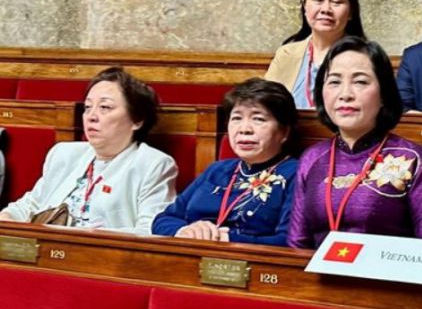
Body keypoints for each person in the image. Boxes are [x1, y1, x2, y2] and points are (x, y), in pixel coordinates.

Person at [288, 36, 422, 249]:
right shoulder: (312, 158)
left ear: (383, 94)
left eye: (360, 81)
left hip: (387, 281)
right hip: (315, 281)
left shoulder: (410, 158)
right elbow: (297, 244)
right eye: (334, 82)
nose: (345, 94)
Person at [0, 68, 177, 235]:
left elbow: (149, 231)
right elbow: (31, 204)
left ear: (137, 120)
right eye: (87, 107)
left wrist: (82, 236)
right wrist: (8, 217)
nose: (91, 116)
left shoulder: (153, 164)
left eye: (105, 107)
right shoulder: (64, 154)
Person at [152, 78, 298, 245]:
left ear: (284, 132)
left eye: (259, 119)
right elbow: (163, 219)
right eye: (236, 118)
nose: (244, 129)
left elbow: (291, 242)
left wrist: (227, 240)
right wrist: (184, 230)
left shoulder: (296, 175)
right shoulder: (217, 170)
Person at [265, 0, 366, 109]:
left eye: (336, 2)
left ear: (351, 12)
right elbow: (266, 107)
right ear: (304, 5)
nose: (326, 9)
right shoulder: (286, 54)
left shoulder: (366, 58)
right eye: (318, 0)